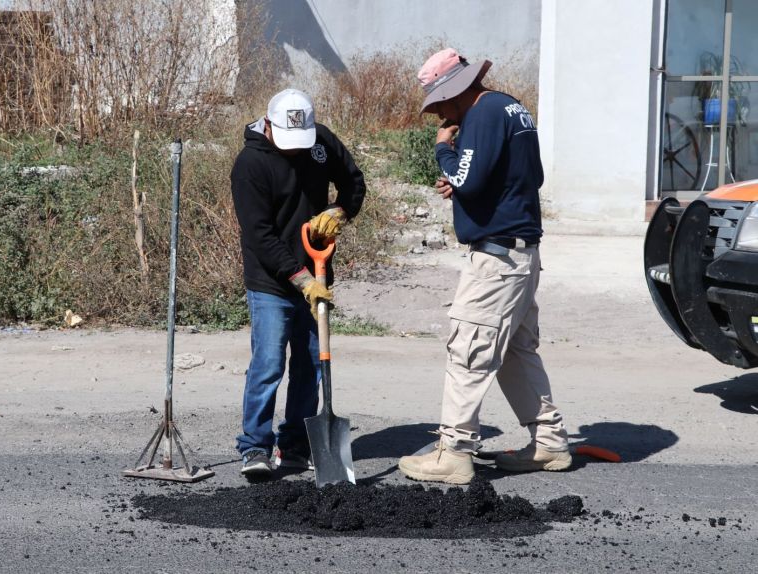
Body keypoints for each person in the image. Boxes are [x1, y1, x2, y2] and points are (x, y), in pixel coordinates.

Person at [398, 48, 570, 484]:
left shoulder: (482, 114)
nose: (438, 114)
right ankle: (549, 443)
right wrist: (462, 178)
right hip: (521, 253)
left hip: (495, 258)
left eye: (438, 104)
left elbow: (469, 180)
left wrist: (444, 155)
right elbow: (525, 177)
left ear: (455, 92)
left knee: (469, 350)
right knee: (514, 349)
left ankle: (454, 451)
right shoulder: (511, 107)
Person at [230, 88, 366, 477]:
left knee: (310, 363)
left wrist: (341, 210)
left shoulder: (320, 141)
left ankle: (294, 444)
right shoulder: (250, 165)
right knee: (269, 363)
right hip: (271, 281)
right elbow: (259, 235)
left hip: (318, 272)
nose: (295, 151)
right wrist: (301, 279)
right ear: (268, 125)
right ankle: (255, 446)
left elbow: (354, 182)